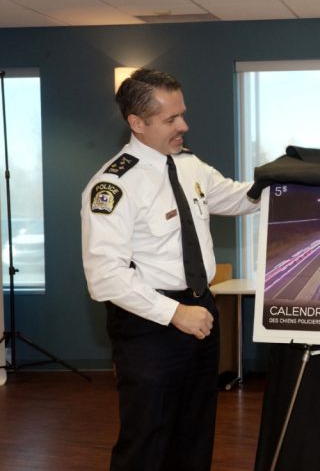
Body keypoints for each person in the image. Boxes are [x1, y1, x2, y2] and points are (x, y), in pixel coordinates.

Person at [81, 68, 259, 471]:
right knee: (147, 438)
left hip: (200, 312)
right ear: (137, 123)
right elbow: (105, 275)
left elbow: (236, 197)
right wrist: (174, 313)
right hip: (151, 323)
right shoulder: (112, 186)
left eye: (182, 114)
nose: (184, 125)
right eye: (171, 119)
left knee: (195, 433)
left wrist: (288, 183)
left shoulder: (188, 165)